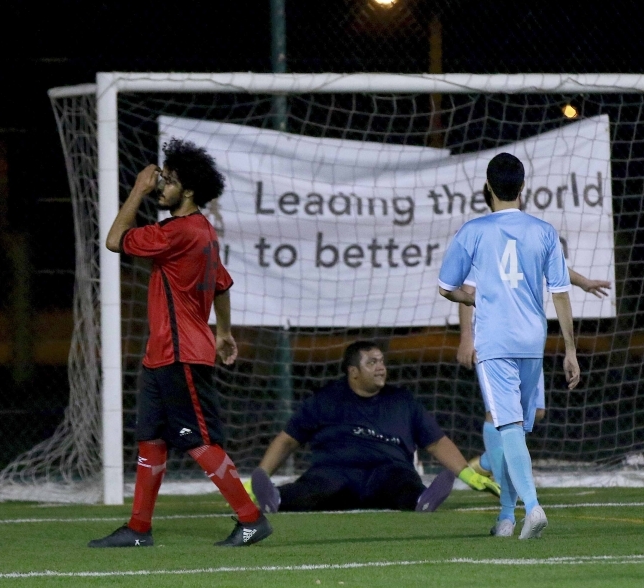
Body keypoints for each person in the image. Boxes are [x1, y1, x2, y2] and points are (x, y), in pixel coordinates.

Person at [89, 139, 271, 548]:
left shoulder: (178, 231)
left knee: (199, 440)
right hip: (161, 355)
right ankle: (138, 529)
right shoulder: (203, 229)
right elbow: (222, 283)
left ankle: (250, 518)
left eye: (167, 181)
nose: (159, 187)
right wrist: (223, 332)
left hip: (181, 354)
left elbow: (115, 240)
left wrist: (136, 189)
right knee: (151, 439)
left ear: (187, 190)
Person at [439, 152, 581, 539]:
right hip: (533, 340)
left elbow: (445, 286)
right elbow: (561, 294)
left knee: (510, 426)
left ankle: (532, 507)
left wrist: (472, 300)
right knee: (515, 428)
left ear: (488, 187)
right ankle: (505, 517)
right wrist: (570, 350)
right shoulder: (544, 231)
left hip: (496, 340)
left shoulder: (474, 231)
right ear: (523, 188)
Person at [456, 184, 610, 479]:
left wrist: (584, 282)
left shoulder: (529, 232)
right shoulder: (485, 235)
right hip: (494, 339)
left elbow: (554, 266)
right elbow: (466, 289)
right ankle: (503, 483)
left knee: (534, 413)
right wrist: (467, 337)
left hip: (526, 337)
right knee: (499, 413)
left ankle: (489, 463)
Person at [248, 340, 499, 514]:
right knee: (316, 486)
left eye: (381, 361)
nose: (381, 367)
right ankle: (276, 498)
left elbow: (436, 442)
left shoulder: (402, 400)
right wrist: (260, 475)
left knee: (402, 481)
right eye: (372, 362)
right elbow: (287, 440)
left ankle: (422, 500)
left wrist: (467, 474)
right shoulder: (325, 399)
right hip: (337, 471)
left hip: (386, 471)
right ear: (353, 372)